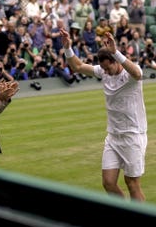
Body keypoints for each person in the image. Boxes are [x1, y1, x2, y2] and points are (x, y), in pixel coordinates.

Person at [60, 28, 147, 201]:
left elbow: (138, 73)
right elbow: (77, 66)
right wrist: (68, 48)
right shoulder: (103, 71)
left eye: (108, 68)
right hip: (113, 137)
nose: (105, 72)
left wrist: (115, 51)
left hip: (133, 135)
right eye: (104, 69)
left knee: (132, 183)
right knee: (108, 182)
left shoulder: (130, 74)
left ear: (116, 61)